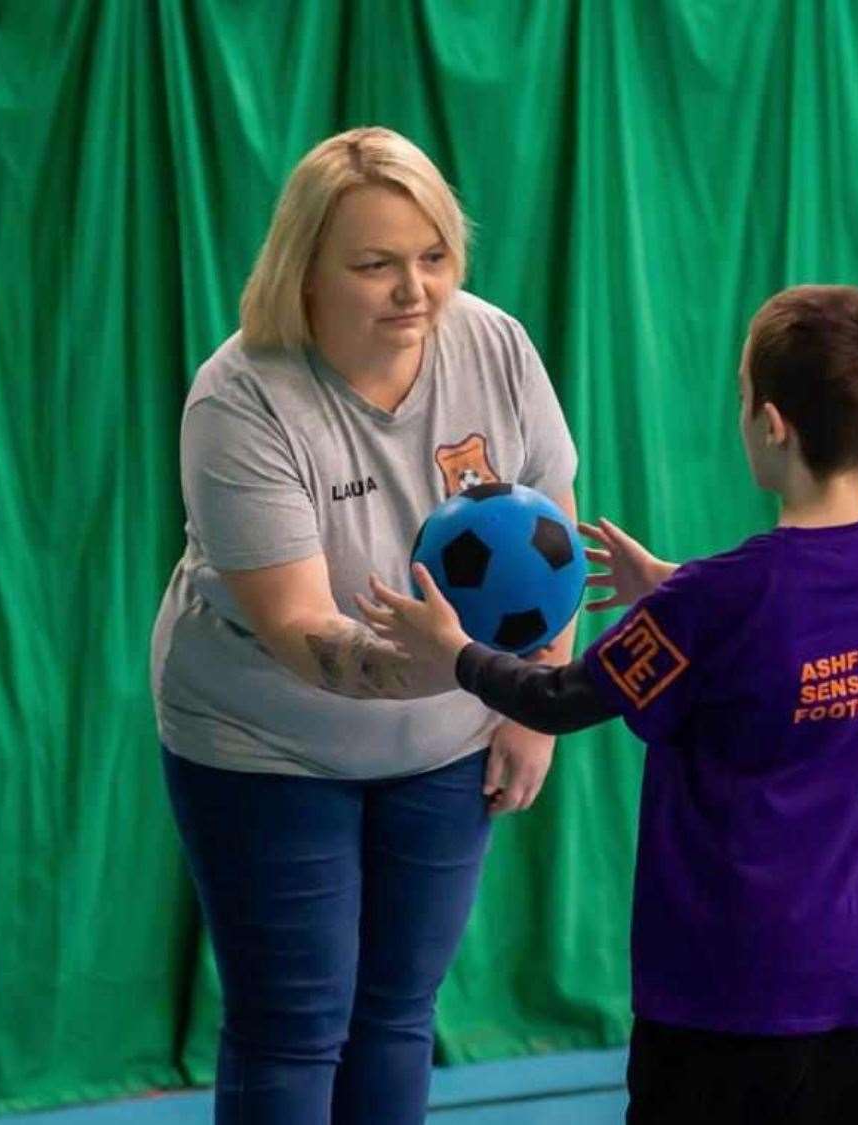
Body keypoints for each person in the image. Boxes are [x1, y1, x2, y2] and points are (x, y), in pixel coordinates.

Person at [362, 285, 858, 1125]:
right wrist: (669, 587)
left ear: (770, 423)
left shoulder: (711, 604)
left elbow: (553, 698)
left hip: (725, 991)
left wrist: (453, 652)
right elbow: (787, 622)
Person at [149, 126, 580, 1122]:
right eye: (376, 265)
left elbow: (547, 542)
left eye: (431, 257)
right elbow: (302, 632)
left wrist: (529, 707)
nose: (414, 290)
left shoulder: (494, 344)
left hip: (444, 741)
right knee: (294, 1023)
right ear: (306, 270)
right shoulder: (241, 396)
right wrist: (474, 669)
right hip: (266, 741)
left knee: (397, 1014)